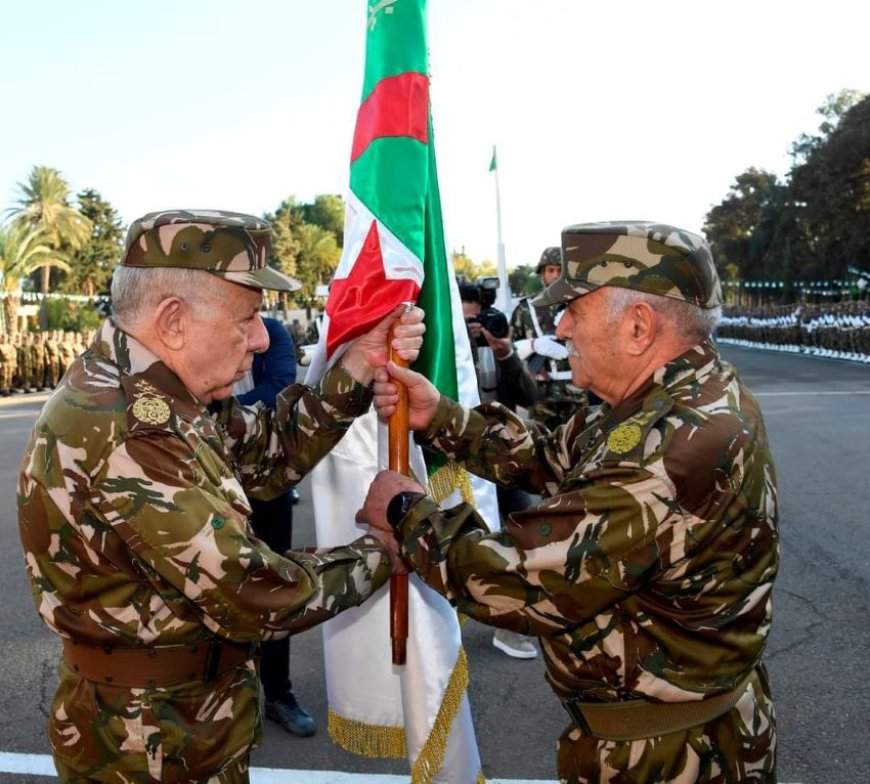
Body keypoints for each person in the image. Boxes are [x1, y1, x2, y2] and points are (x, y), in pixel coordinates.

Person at [359, 221, 779, 783]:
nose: (559, 328)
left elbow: (518, 582)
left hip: (667, 757)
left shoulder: (672, 439)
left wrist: (405, 512)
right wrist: (443, 418)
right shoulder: (669, 396)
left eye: (573, 311)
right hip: (668, 733)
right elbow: (552, 456)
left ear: (637, 327)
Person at [17, 209, 423, 784]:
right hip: (148, 743)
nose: (260, 339)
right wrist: (387, 546)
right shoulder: (128, 426)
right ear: (174, 321)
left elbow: (266, 453)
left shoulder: (157, 392)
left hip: (181, 720)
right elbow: (252, 592)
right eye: (249, 318)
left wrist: (356, 363)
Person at [233, 317, 314, 736]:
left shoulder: (271, 331)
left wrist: (215, 414)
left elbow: (280, 389)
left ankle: (278, 693)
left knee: (274, 585)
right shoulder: (196, 329)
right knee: (212, 589)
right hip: (204, 482)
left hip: (265, 483)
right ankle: (228, 700)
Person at [459, 281, 541, 659]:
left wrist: (505, 354)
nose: (476, 327)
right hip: (456, 459)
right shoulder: (447, 350)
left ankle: (511, 624)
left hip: (502, 458)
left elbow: (530, 396)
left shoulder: (499, 345)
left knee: (521, 541)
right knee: (457, 543)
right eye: (466, 321)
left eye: (478, 318)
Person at [510, 246, 590, 427]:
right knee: (541, 448)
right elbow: (507, 350)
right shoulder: (525, 309)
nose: (555, 275)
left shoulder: (583, 305)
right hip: (541, 397)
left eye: (560, 271)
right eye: (550, 270)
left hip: (577, 393)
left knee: (579, 447)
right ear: (542, 273)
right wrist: (533, 345)